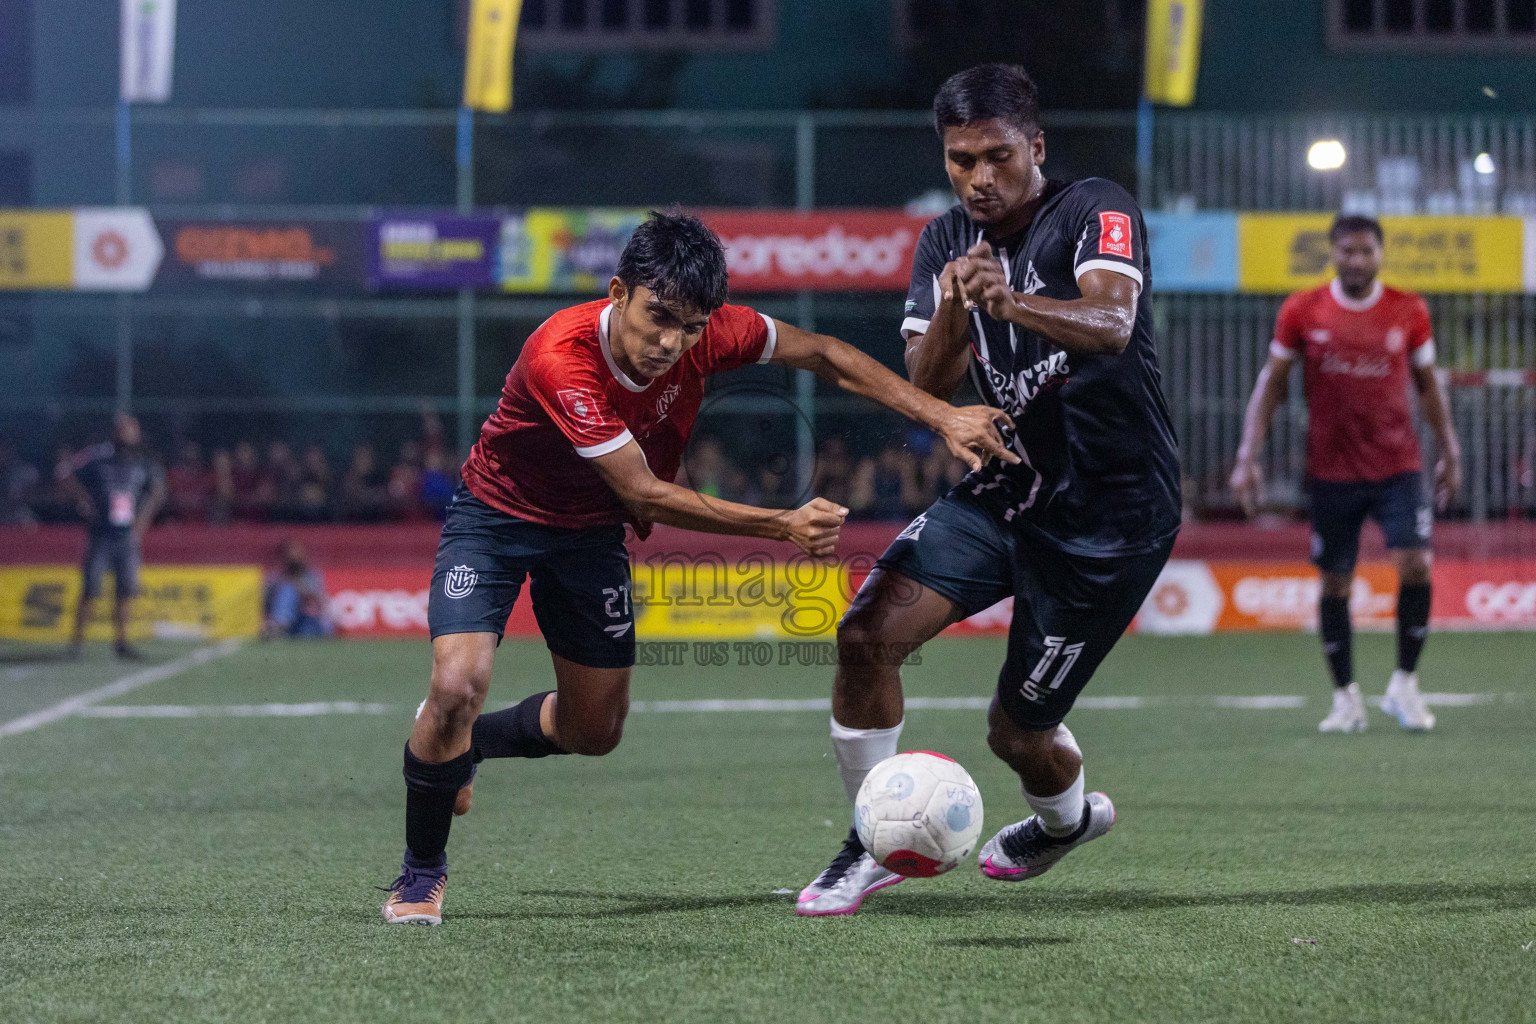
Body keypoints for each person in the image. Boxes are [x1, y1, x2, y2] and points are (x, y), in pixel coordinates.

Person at [379, 210, 1014, 925]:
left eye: (689, 326)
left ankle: (468, 747)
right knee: (458, 682)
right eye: (658, 318)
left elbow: (827, 355)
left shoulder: (709, 333)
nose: (669, 342)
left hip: (589, 537)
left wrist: (942, 415)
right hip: (496, 520)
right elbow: (643, 491)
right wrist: (782, 524)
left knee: (595, 731)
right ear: (618, 292)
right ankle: (420, 872)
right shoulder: (561, 355)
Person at [796, 64, 1181, 916]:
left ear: (1035, 147)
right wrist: (958, 307)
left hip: (1111, 518)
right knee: (864, 636)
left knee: (1016, 734)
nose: (979, 177)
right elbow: (927, 381)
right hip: (1009, 488)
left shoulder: (1093, 208)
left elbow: (1112, 324)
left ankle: (1067, 822)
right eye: (960, 159)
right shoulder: (943, 243)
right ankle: (868, 843)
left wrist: (1010, 301)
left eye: (998, 156)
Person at [1230, 214, 1461, 734]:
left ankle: (1404, 685)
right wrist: (1248, 455)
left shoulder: (1409, 309)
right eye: (1346, 251)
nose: (1356, 260)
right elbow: (1271, 385)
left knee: (1417, 563)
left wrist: (1450, 450)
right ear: (1332, 254)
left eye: (1366, 251)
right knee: (1336, 580)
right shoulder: (1302, 309)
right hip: (1332, 470)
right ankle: (1345, 698)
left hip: (1398, 465)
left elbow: (1429, 387)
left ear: (1380, 254)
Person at [58, 413, 166, 660]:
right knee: (91, 588)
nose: (126, 434)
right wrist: (83, 499)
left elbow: (159, 490)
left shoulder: (143, 461)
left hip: (127, 536)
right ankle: (76, 643)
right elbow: (65, 472)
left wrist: (143, 519)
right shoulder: (97, 456)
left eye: (130, 429)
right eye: (122, 429)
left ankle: (122, 642)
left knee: (125, 590)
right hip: (101, 535)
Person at [262, 539, 331, 638]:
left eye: (297, 553)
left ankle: (279, 626)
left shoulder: (311, 576)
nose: (294, 557)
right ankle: (279, 626)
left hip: (307, 621)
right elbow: (265, 602)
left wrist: (299, 587)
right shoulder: (275, 578)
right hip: (286, 623)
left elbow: (318, 602)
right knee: (287, 590)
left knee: (289, 590)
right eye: (291, 554)